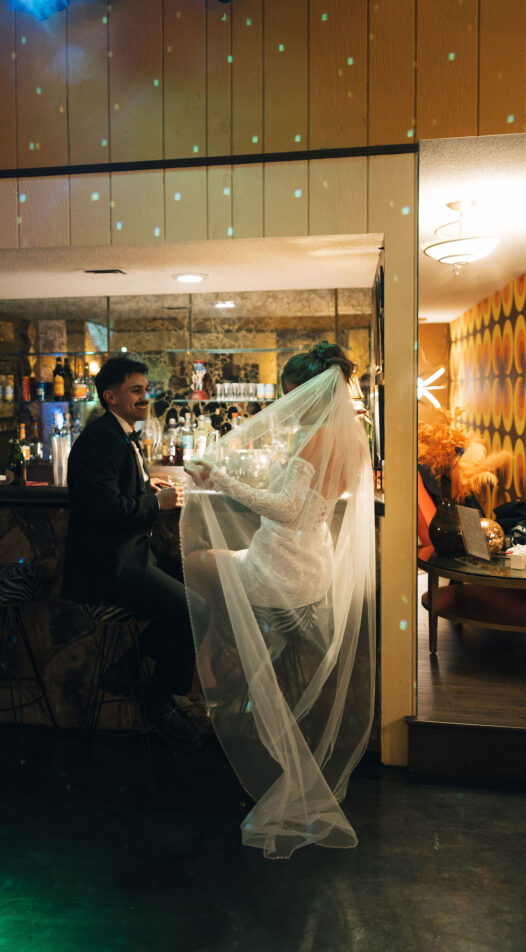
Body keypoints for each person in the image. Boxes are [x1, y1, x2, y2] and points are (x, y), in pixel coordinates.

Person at [180, 341, 376, 857]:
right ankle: (240, 655)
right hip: (311, 571)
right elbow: (303, 505)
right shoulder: (350, 439)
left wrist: (219, 478)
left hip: (278, 573)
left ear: (310, 392)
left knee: (194, 561)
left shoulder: (313, 440)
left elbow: (287, 510)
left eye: (293, 393)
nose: (290, 403)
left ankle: (209, 673)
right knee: (219, 569)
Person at [61, 356, 201, 749]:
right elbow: (103, 511)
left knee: (196, 585)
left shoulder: (118, 433)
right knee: (192, 609)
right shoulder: (100, 440)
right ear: (111, 397)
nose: (145, 398)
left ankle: (125, 669)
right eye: (136, 391)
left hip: (132, 556)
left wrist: (145, 486)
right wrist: (158, 503)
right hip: (110, 567)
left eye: (145, 389)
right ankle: (160, 704)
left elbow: (116, 493)